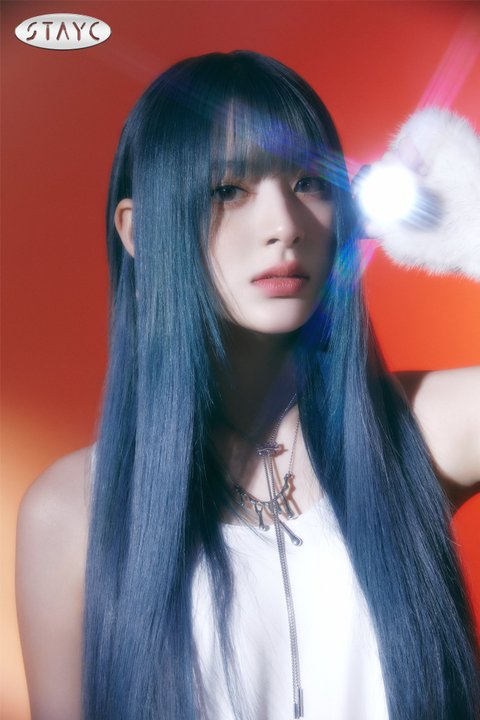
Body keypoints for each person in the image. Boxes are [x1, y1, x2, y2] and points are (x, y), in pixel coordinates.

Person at [15, 50, 480, 720]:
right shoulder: (73, 511)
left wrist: (471, 232)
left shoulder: (419, 431)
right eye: (228, 190)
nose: (284, 226)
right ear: (140, 230)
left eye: (309, 183)